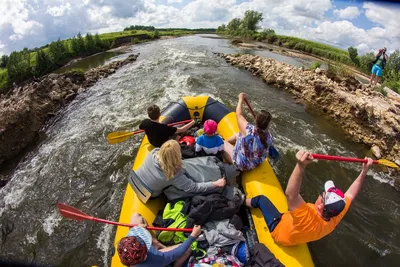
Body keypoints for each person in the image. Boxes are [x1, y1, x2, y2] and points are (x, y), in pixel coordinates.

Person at [245, 150, 373, 246]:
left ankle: (242, 202)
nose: (321, 192)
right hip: (294, 234)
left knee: (261, 199)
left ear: (321, 205)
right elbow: (350, 194)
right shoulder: (334, 216)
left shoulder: (307, 218)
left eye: (323, 193)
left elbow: (291, 195)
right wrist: (364, 171)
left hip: (279, 231)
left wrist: (301, 166)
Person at [136, 139, 226, 197]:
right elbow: (193, 187)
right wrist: (215, 184)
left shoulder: (153, 152)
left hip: (135, 178)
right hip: (149, 194)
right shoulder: (173, 174)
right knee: (183, 190)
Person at [117, 212, 202, 267]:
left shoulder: (124, 248)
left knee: (136, 217)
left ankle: (157, 243)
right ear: (145, 254)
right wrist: (193, 235)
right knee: (188, 248)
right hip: (158, 262)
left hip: (144, 257)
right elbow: (178, 252)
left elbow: (135, 233)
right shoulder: (157, 259)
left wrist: (140, 229)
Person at [223, 92, 273, 171]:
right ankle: (231, 146)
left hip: (242, 164)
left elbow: (238, 114)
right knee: (238, 135)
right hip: (255, 163)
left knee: (222, 143)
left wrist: (240, 99)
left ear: (256, 120)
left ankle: (226, 152)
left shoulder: (248, 129)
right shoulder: (269, 137)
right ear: (268, 125)